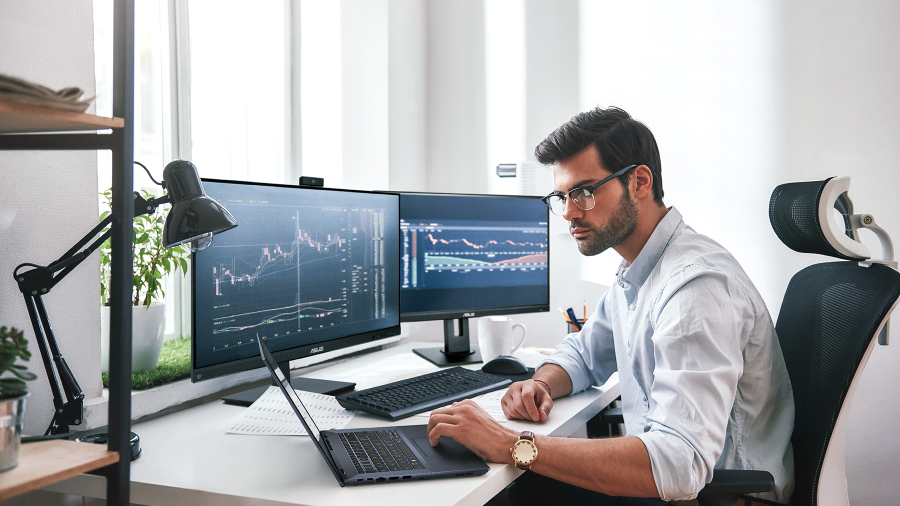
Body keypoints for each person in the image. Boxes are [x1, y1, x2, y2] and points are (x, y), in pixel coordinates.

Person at [426, 106, 795, 505]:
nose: (567, 212)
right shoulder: (636, 273)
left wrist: (513, 444)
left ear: (638, 181)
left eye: (583, 192)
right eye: (562, 197)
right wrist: (540, 383)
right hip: (671, 487)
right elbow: (583, 355)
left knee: (504, 491)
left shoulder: (695, 288)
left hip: (714, 498)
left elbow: (679, 465)